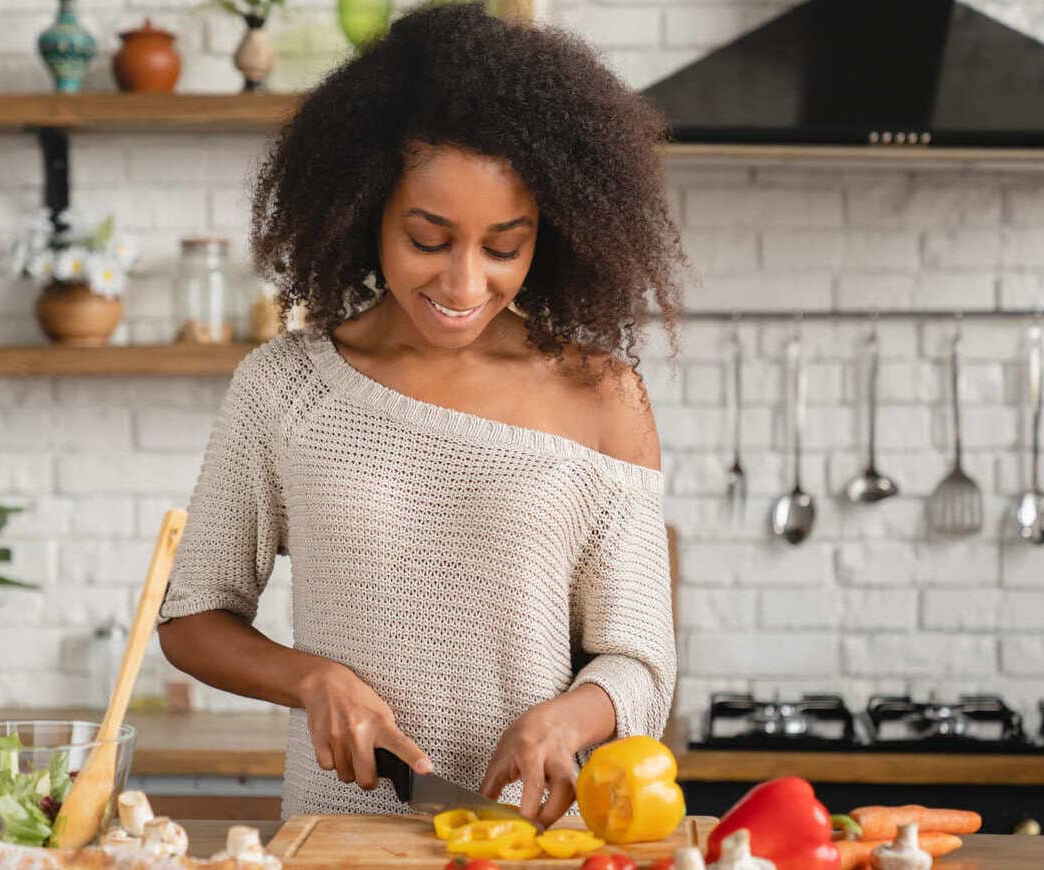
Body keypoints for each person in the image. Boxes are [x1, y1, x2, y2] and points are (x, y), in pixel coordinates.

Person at [157, 4, 685, 827]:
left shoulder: (603, 396)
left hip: (530, 841)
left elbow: (641, 663)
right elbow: (191, 618)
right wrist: (311, 679)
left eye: (504, 247)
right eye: (428, 239)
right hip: (341, 837)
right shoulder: (287, 388)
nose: (465, 285)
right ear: (364, 208)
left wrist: (566, 720)